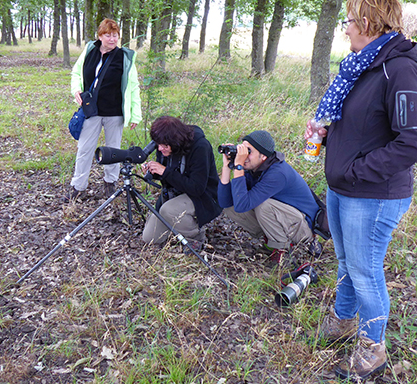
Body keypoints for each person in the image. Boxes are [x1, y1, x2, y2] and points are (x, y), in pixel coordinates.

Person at [305, 0, 417, 381]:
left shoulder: (400, 68)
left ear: (369, 24)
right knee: (346, 263)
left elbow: (413, 142)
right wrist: (326, 132)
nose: (345, 30)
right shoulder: (359, 65)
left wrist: (356, 170)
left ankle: (372, 348)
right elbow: (363, 124)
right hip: (343, 187)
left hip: (372, 193)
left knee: (365, 270)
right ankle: (343, 322)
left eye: (349, 21)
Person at [217, 130, 321, 267]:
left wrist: (239, 167)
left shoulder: (277, 173)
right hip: (286, 220)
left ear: (264, 156)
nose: (244, 156)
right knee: (231, 206)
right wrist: (227, 167)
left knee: (264, 206)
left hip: (303, 228)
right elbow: (225, 202)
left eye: (249, 151)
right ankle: (271, 240)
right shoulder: (254, 168)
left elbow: (243, 205)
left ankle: (282, 251)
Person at [68, 18, 141, 200]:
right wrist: (76, 89)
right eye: (108, 35)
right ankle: (78, 187)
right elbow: (76, 72)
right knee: (84, 148)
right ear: (100, 36)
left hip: (114, 112)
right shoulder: (90, 50)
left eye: (115, 35)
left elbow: (133, 86)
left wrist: (135, 114)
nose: (112, 39)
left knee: (113, 150)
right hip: (91, 110)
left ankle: (110, 183)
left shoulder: (124, 57)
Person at [142, 116, 221, 252]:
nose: (160, 149)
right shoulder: (164, 146)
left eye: (164, 146)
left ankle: (195, 237)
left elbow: (197, 188)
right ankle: (178, 226)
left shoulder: (200, 146)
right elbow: (167, 172)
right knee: (149, 238)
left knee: (168, 211)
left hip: (203, 196)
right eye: (158, 144)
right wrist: (154, 171)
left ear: (176, 141)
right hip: (174, 194)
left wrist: (165, 172)